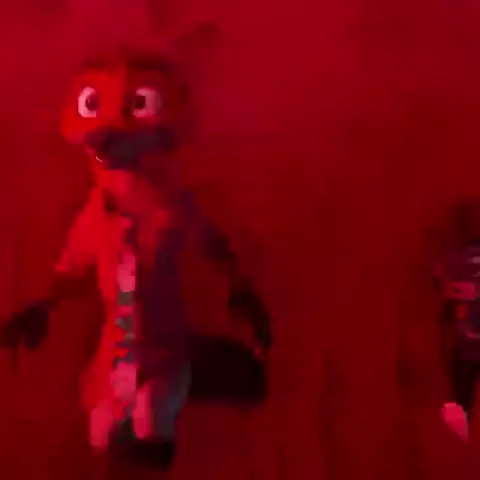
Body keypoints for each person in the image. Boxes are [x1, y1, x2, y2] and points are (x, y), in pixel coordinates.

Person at [0, 46, 271, 476]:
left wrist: (240, 288)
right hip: (115, 357)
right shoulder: (99, 214)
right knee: (108, 425)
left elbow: (212, 247)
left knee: (149, 417)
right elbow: (71, 268)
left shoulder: (171, 208)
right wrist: (42, 307)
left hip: (164, 351)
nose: (110, 141)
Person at [437, 201, 480, 441]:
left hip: (463, 348)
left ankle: (457, 440)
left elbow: (445, 301)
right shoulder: (454, 261)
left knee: (460, 405)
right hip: (464, 347)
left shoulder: (452, 261)